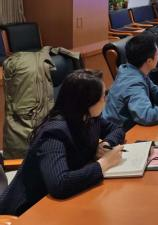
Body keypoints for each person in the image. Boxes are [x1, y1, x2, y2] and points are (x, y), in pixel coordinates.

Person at [0, 70, 125, 216]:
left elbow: (117, 129)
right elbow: (59, 184)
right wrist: (104, 163)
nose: (106, 99)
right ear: (87, 102)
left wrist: (106, 143)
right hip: (26, 211)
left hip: (65, 202)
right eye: (103, 96)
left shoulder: (88, 117)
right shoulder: (53, 133)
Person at [103, 33, 158, 131]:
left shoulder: (132, 69)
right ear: (149, 61)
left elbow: (157, 92)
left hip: (132, 126)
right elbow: (146, 115)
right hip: (122, 133)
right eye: (157, 54)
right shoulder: (133, 83)